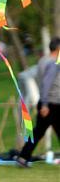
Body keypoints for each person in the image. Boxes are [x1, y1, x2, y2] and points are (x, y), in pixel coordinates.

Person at [17, 37, 60, 166]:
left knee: (38, 132)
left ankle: (23, 157)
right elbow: (47, 83)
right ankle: (23, 157)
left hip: (46, 102)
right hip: (52, 104)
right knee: (40, 132)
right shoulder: (54, 63)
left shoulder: (42, 61)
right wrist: (45, 104)